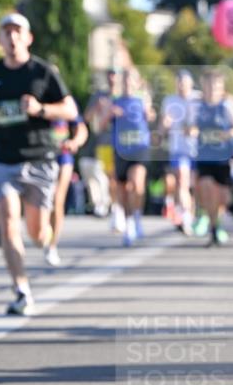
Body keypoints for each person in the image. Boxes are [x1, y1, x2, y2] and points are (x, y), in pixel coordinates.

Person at [0, 12, 76, 315]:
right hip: (3, 161)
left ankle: (47, 242)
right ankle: (21, 290)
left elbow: (70, 109)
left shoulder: (42, 72)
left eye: (17, 32)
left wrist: (41, 108)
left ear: (28, 37)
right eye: (6, 32)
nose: (11, 37)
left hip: (39, 161)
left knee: (37, 233)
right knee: (9, 223)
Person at [191, 69, 233, 246]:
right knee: (207, 189)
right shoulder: (196, 105)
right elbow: (188, 127)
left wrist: (228, 134)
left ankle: (217, 222)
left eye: (216, 86)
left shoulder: (228, 103)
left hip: (223, 157)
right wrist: (192, 131)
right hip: (204, 156)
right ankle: (213, 228)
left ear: (221, 87)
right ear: (203, 86)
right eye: (209, 85)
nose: (212, 89)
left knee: (223, 198)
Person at [109, 68, 156, 247]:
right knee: (122, 190)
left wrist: (150, 113)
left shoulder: (142, 99)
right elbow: (100, 124)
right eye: (125, 80)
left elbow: (151, 115)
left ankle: (136, 217)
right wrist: (110, 113)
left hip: (140, 147)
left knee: (136, 184)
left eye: (131, 80)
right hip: (121, 149)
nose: (128, 83)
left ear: (137, 82)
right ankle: (129, 222)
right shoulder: (114, 101)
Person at [47, 102, 88, 266]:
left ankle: (52, 246)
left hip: (63, 155)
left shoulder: (66, 102)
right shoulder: (33, 97)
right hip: (41, 156)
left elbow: (81, 129)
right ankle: (44, 234)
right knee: (45, 202)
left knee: (57, 200)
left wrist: (75, 142)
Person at [159, 69, 198, 235]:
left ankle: (190, 215)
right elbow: (163, 126)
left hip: (197, 149)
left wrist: (195, 129)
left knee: (194, 187)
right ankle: (186, 217)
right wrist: (164, 127)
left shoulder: (199, 98)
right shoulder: (169, 100)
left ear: (191, 83)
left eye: (184, 82)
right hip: (178, 148)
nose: (181, 86)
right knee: (182, 181)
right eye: (179, 83)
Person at [84, 69, 122, 230]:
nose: (112, 78)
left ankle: (118, 209)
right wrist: (96, 108)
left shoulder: (125, 96)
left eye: (115, 75)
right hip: (104, 142)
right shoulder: (99, 95)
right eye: (110, 75)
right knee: (108, 177)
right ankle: (114, 209)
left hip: (122, 143)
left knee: (118, 179)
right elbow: (86, 117)